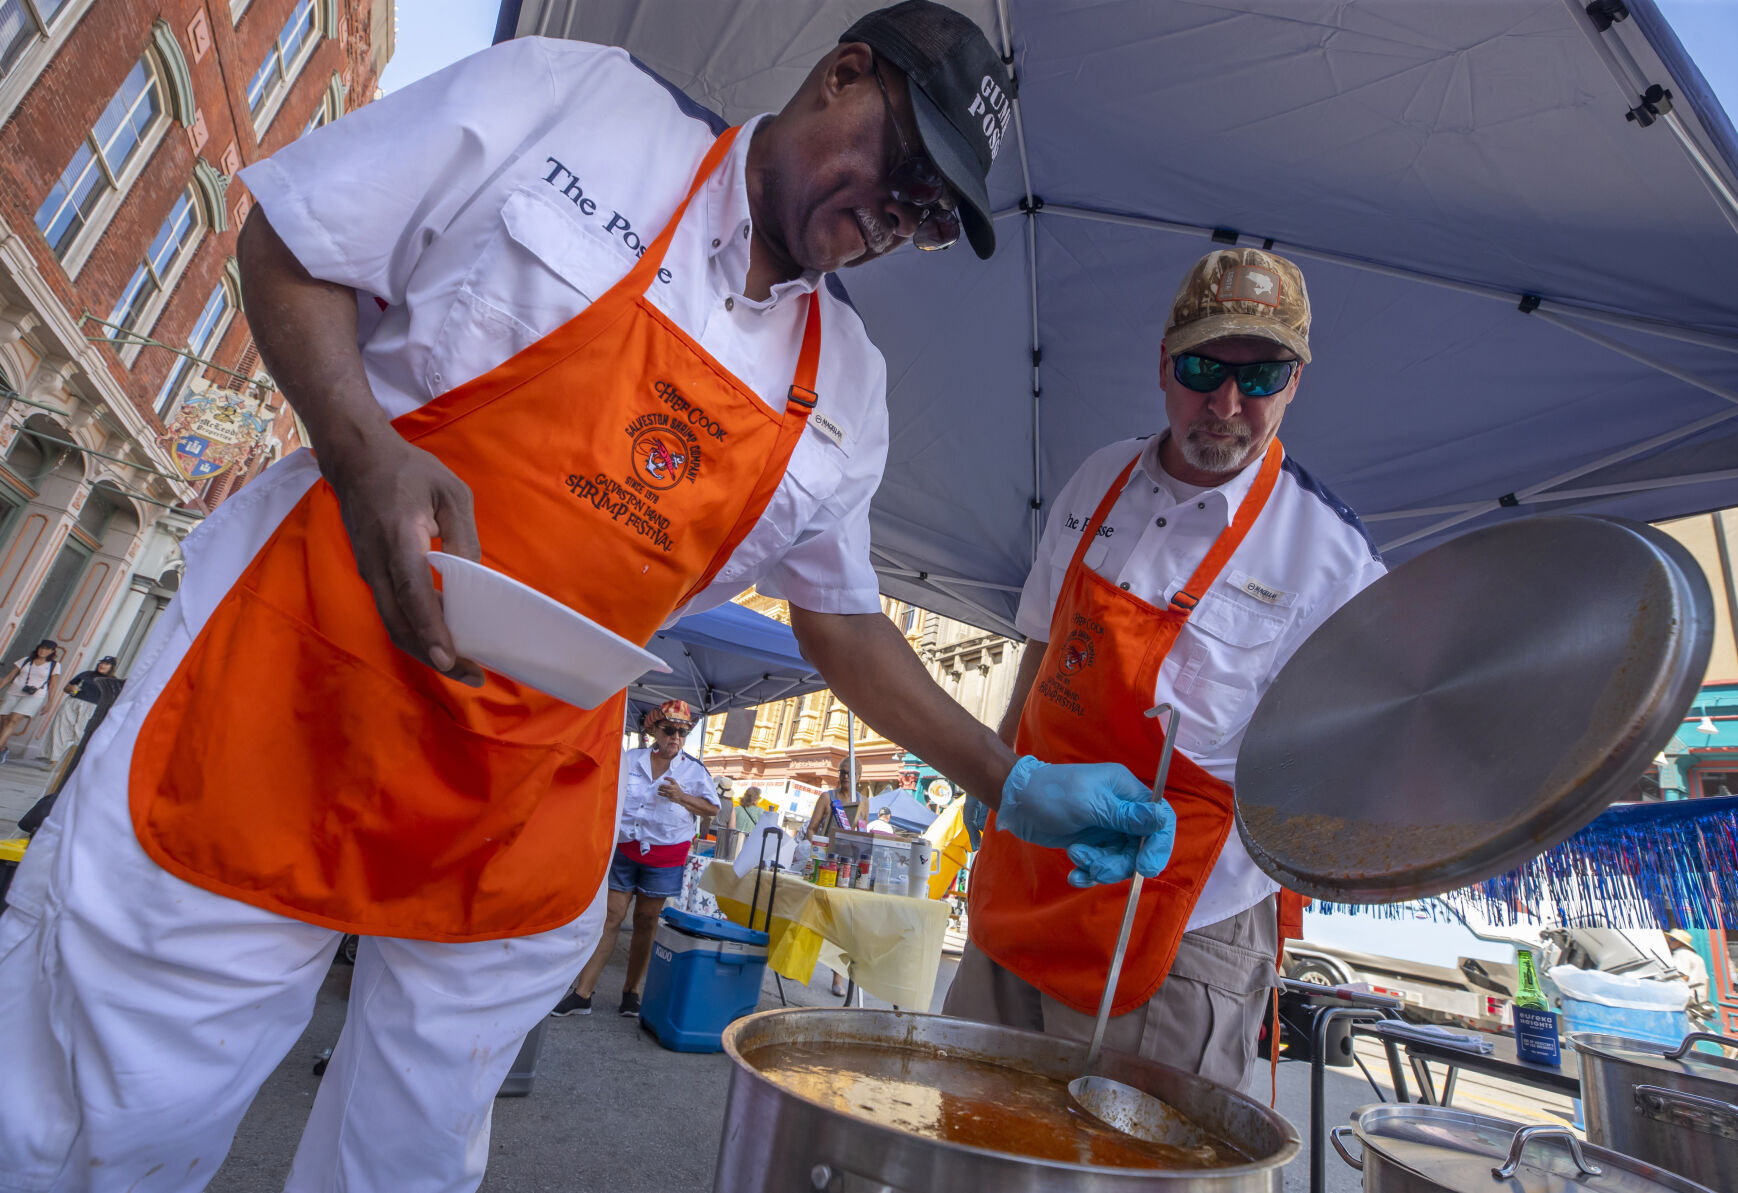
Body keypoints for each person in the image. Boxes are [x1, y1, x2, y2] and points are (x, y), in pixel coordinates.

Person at [0, 7, 1169, 1190]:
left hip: (522, 786)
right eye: (903, 170)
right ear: (840, 75)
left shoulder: (847, 387)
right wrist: (362, 450)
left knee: (406, 1165)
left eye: (923, 219)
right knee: (111, 1119)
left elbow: (844, 622)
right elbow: (298, 243)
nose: (888, 220)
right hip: (294, 694)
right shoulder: (579, 109)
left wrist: (1009, 780)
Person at [945, 248, 1388, 1093]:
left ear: (1294, 382)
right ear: (1161, 363)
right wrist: (994, 780)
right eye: (1202, 368)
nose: (1227, 404)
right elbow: (1040, 650)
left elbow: (1350, 763)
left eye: (1260, 376)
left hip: (1178, 924)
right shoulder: (1096, 480)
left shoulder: (1334, 563)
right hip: (1029, 873)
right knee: (968, 1129)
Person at [552, 701, 717, 1017]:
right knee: (611, 916)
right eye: (669, 730)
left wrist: (682, 797)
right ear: (653, 730)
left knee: (645, 920)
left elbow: (712, 809)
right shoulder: (630, 760)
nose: (676, 738)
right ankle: (583, 993)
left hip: (665, 856)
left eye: (682, 732)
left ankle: (631, 992)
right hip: (625, 850)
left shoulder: (694, 770)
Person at [44, 656, 117, 765]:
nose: (102, 665)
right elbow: (67, 688)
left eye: (106, 664)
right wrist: (72, 689)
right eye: (102, 663)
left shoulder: (112, 681)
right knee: (61, 729)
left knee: (81, 733)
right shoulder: (86, 674)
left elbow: (112, 698)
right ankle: (54, 760)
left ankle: (72, 762)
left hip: (92, 707)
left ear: (111, 667)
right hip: (74, 702)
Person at [0, 640, 60, 764]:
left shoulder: (54, 665)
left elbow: (53, 685)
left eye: (47, 649)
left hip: (35, 696)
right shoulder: (26, 660)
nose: (43, 651)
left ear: (52, 652)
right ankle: (3, 748)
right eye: (42, 648)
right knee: (4, 720)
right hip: (14, 691)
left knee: (13, 720)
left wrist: (50, 703)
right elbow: (10, 676)